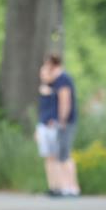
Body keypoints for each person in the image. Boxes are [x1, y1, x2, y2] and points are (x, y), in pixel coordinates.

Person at [35, 54, 79, 197]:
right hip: (50, 123)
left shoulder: (62, 80)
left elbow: (64, 102)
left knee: (64, 155)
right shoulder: (51, 83)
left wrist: (62, 121)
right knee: (55, 156)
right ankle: (58, 187)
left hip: (61, 123)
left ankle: (71, 187)